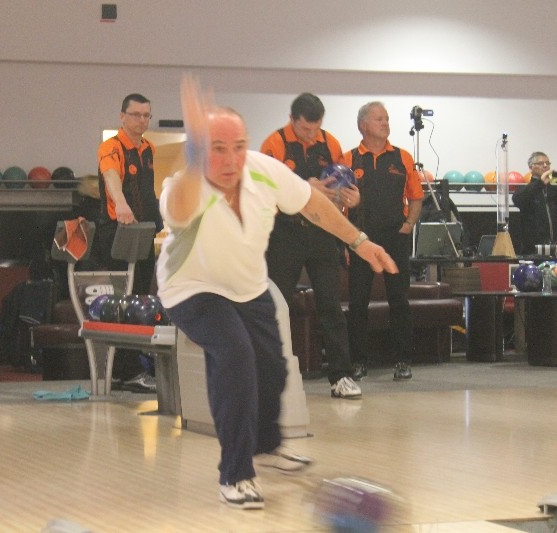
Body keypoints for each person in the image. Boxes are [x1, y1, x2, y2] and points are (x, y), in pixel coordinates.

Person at [156, 76, 397, 510]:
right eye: (216, 148)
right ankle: (235, 473)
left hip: (249, 287)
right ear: (199, 150)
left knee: (273, 367)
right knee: (235, 357)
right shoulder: (185, 185)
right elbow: (178, 209)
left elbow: (313, 204)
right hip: (192, 289)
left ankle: (266, 446)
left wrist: (360, 242)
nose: (231, 159)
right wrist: (193, 161)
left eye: (237, 146)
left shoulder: (263, 170)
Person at [261, 93, 362, 399]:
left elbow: (344, 185)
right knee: (276, 304)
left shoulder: (330, 143)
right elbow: (263, 190)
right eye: (305, 129)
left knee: (331, 306)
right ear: (292, 121)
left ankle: (341, 376)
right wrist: (303, 188)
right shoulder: (274, 144)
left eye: (315, 129)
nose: (310, 135)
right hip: (284, 233)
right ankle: (270, 375)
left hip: (321, 231)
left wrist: (351, 198)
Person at [343, 101, 423, 382]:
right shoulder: (348, 159)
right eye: (379, 119)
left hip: (395, 238)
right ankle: (357, 362)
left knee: (399, 300)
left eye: (387, 118)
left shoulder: (402, 157)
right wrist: (346, 239)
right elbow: (337, 203)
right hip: (360, 240)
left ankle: (403, 360)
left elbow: (416, 196)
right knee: (358, 303)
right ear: (363, 125)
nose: (385, 123)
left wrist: (408, 225)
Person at [94, 94, 163, 393]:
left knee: (140, 300)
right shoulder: (111, 147)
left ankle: (130, 368)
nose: (142, 121)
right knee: (124, 299)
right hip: (118, 231)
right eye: (136, 115)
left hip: (144, 231)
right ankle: (125, 370)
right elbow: (111, 176)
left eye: (146, 115)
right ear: (122, 116)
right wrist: (121, 203)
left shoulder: (149, 149)